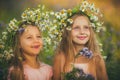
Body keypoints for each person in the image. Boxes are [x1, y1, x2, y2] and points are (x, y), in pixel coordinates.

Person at [53, 0, 108, 80]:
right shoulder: (61, 58)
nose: (82, 32)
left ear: (91, 31)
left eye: (86, 27)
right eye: (76, 28)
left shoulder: (97, 59)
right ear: (67, 32)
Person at [0, 5, 53, 80]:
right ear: (18, 44)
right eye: (29, 37)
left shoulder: (48, 70)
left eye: (38, 36)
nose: (36, 40)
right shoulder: (17, 72)